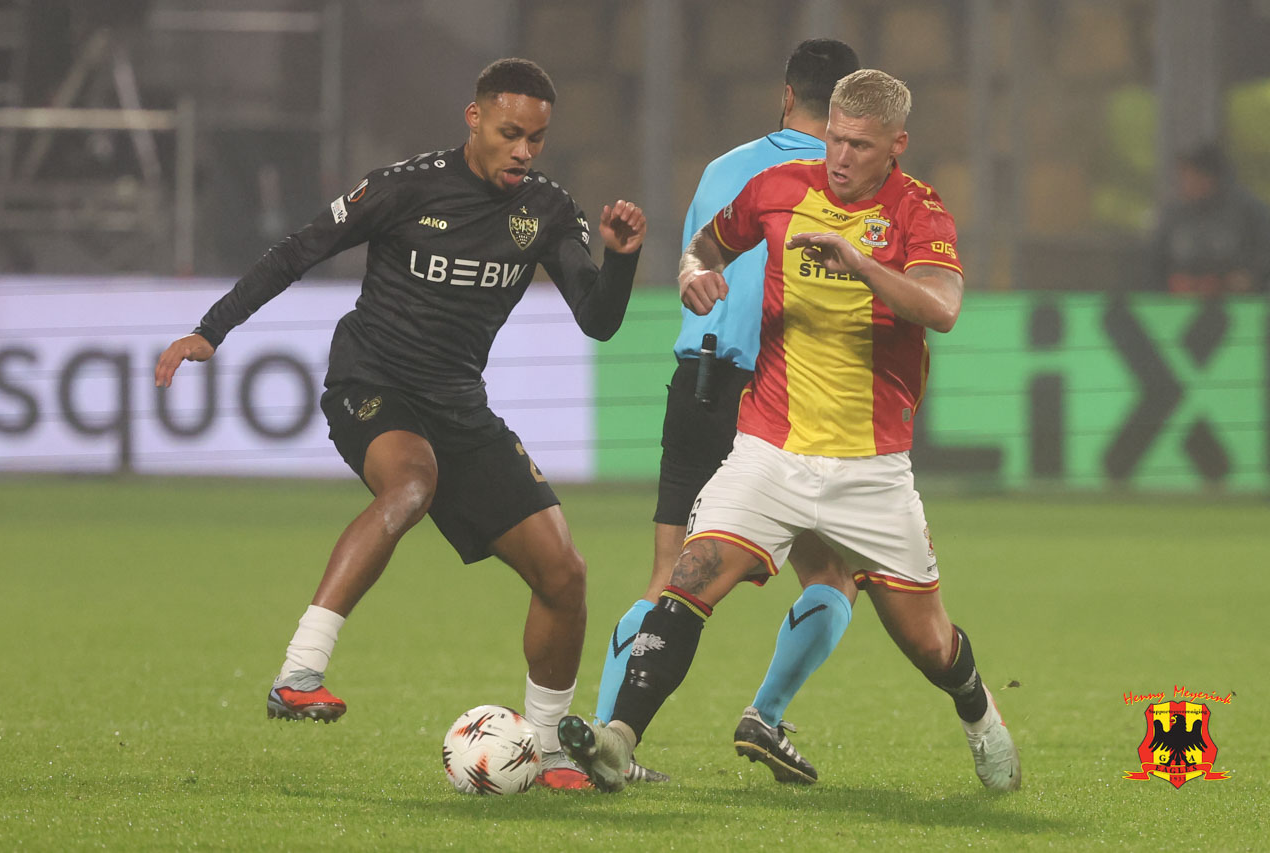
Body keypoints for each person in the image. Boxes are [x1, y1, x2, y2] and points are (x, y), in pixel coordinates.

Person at [154, 58, 647, 791]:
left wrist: (621, 260)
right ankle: (299, 672)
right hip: (372, 384)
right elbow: (297, 251)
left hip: (460, 407)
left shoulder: (545, 209)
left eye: (537, 138)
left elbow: (598, 321)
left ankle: (546, 750)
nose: (523, 150)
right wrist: (210, 330)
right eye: (510, 133)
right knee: (411, 485)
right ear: (474, 118)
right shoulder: (403, 187)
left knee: (563, 573)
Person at [560, 69, 1021, 794]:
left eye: (859, 146)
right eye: (834, 138)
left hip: (870, 468)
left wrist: (861, 264)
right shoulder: (779, 188)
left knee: (929, 643)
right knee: (690, 574)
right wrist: (691, 274)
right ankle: (619, 739)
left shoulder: (918, 210)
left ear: (896, 145)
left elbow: (942, 308)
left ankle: (979, 713)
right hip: (769, 450)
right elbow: (707, 244)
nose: (840, 157)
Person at [592, 38, 862, 787]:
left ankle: (610, 740)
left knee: (666, 575)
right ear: (850, 110)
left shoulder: (720, 169)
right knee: (834, 574)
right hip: (779, 396)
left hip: (697, 380)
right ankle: (764, 715)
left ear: (787, 95)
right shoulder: (841, 185)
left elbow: (699, 261)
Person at [1150, 143, 1270, 295]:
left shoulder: (1249, 211)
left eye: (1190, 176)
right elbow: (1154, 261)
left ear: (1209, 177)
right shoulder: (1173, 214)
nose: (1184, 183)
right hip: (1180, 302)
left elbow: (1264, 253)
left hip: (1239, 301)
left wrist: (1250, 276)